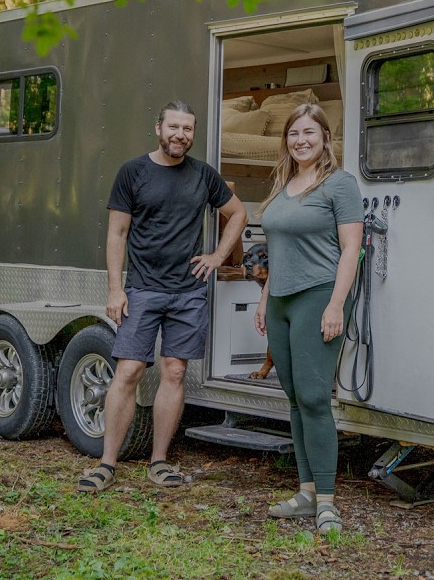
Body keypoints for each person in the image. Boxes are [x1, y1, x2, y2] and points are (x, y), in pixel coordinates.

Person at [78, 101, 247, 492]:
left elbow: (238, 214)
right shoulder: (133, 172)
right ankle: (106, 464)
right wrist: (116, 289)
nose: (180, 135)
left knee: (175, 372)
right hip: (142, 289)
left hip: (188, 292)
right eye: (174, 127)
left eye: (187, 129)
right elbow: (117, 233)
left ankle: (159, 462)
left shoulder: (203, 175)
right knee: (129, 371)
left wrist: (217, 256)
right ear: (158, 128)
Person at [254, 103, 362, 533]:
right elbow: (278, 251)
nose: (301, 140)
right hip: (280, 301)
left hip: (318, 297)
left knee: (315, 398)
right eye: (294, 133)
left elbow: (351, 249)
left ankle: (328, 503)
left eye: (309, 133)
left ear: (325, 138)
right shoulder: (285, 183)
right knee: (296, 399)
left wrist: (336, 304)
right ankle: (306, 493)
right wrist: (264, 299)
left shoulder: (339, 184)